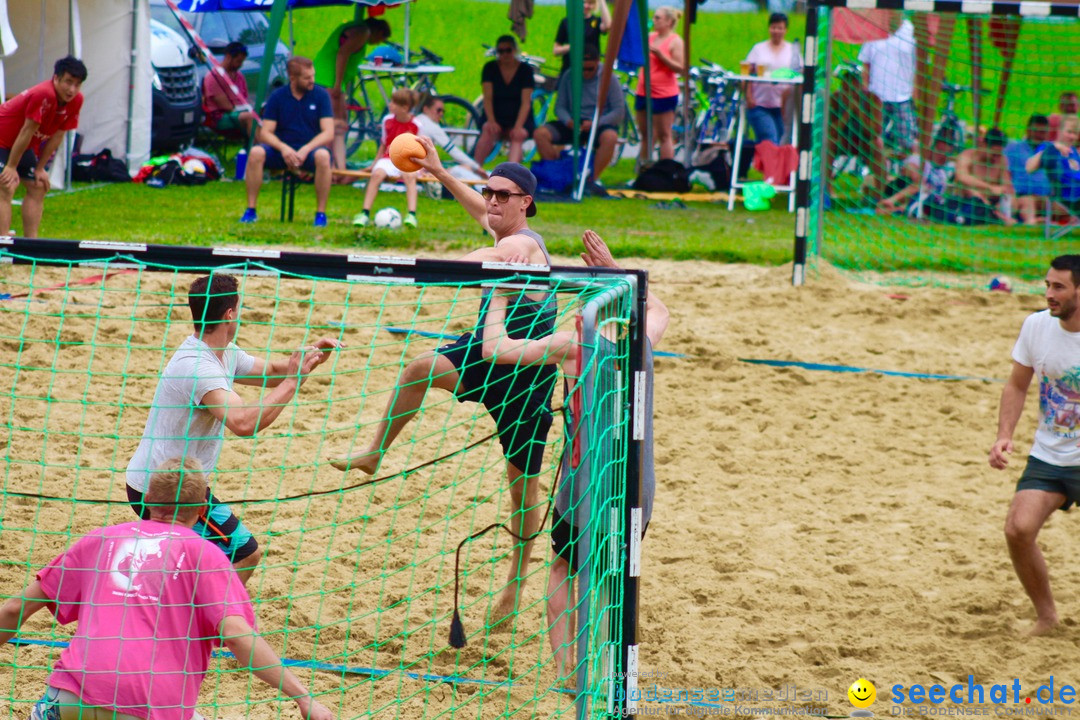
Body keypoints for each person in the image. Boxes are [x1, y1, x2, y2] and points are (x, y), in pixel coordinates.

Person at [332, 140, 556, 619]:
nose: (491, 200)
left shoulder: (522, 246)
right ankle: (374, 453)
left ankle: (517, 579)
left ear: (525, 204)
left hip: (524, 376)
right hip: (482, 352)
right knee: (419, 368)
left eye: (502, 195)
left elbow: (486, 252)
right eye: (488, 191)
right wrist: (437, 171)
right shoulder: (504, 225)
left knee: (522, 487)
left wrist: (426, 268)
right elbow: (482, 213)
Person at [0, 458, 335, 720]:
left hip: (73, 696)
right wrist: (303, 698)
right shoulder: (208, 556)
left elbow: (15, 609)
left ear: (146, 500)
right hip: (153, 706)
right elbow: (237, 636)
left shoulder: (99, 538)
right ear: (203, 511)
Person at [479, 230, 669, 681]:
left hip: (583, 480)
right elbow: (657, 308)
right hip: (636, 481)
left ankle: (568, 668)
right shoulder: (641, 337)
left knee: (566, 567)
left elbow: (494, 349)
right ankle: (610, 661)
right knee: (614, 576)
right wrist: (618, 269)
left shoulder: (571, 345)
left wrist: (500, 294)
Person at [126, 273, 341, 585]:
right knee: (243, 552)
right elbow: (243, 423)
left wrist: (308, 359)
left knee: (190, 567)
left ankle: (179, 614)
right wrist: (294, 382)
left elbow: (269, 371)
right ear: (229, 314)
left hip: (177, 483)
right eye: (239, 310)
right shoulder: (197, 366)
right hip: (162, 490)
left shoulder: (223, 352)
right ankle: (198, 624)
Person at [993, 255, 1080, 636]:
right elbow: (1017, 384)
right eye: (1047, 285)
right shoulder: (1036, 326)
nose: (1048, 294)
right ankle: (1046, 618)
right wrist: (1004, 435)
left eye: (1058, 287)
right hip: (1050, 452)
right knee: (1018, 529)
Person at [241, 57, 334, 227]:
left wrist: (306, 148)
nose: (312, 80)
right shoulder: (278, 97)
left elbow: (328, 132)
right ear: (292, 78)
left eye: (312, 76)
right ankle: (250, 210)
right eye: (307, 78)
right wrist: (283, 148)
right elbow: (266, 134)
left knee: (323, 156)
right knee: (256, 152)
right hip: (281, 150)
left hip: (309, 150)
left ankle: (321, 214)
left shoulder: (321, 95)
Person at [0, 56, 86, 238]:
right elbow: (26, 131)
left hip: (21, 144)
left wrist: (40, 168)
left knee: (39, 186)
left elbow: (58, 135)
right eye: (68, 82)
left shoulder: (76, 100)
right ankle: (3, 241)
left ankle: (32, 243)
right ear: (56, 78)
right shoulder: (43, 94)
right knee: (6, 185)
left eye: (77, 84)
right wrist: (11, 166)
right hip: (3, 139)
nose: (72, 90)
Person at [533, 45, 625, 186]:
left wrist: (596, 123)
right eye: (582, 69)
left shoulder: (608, 78)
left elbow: (618, 111)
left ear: (597, 63)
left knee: (610, 137)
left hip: (598, 122)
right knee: (540, 134)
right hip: (573, 122)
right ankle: (558, 172)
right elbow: (560, 107)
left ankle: (590, 180)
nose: (585, 73)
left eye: (590, 69)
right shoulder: (569, 75)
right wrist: (568, 120)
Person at [314, 17, 391, 170]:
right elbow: (342, 54)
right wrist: (337, 84)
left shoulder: (355, 27)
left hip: (326, 78)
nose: (377, 44)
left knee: (339, 125)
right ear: (379, 32)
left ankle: (338, 167)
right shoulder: (363, 32)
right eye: (381, 39)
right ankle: (331, 167)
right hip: (328, 80)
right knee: (336, 125)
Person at [858, 13, 917, 195]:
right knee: (874, 141)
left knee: (907, 143)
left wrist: (916, 95)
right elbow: (865, 64)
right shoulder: (873, 29)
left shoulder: (912, 32)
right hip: (877, 98)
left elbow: (921, 66)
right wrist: (865, 91)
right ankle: (877, 180)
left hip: (904, 97)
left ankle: (905, 182)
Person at [352, 88, 420, 228]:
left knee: (409, 176)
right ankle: (364, 213)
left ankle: (411, 214)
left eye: (394, 103)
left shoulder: (416, 125)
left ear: (404, 108)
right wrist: (375, 164)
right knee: (377, 175)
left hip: (407, 160)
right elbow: (383, 144)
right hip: (388, 158)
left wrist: (421, 167)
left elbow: (420, 149)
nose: (390, 105)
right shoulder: (387, 121)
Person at [634, 6, 685, 165]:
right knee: (646, 135)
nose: (654, 21)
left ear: (669, 22)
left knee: (664, 134)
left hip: (663, 93)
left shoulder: (675, 41)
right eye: (654, 17)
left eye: (658, 18)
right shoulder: (650, 37)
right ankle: (643, 171)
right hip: (643, 90)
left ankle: (666, 171)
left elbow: (681, 68)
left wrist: (661, 56)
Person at [474, 35, 535, 166]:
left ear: (515, 50)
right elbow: (487, 98)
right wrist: (491, 121)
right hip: (496, 114)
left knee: (518, 136)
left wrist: (518, 126)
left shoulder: (525, 70)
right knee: (488, 129)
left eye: (508, 50)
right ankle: (474, 169)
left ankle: (510, 175)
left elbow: (526, 102)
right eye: (501, 51)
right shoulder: (490, 68)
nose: (505, 54)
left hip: (519, 116)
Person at [743, 12, 802, 146]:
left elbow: (799, 73)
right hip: (760, 104)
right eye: (774, 27)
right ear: (769, 28)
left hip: (783, 106)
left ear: (785, 30)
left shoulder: (792, 50)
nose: (777, 31)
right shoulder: (758, 49)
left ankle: (768, 165)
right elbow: (746, 74)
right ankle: (768, 164)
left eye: (780, 28)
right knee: (770, 139)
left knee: (783, 140)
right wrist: (748, 96)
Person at [952, 128, 1017, 226]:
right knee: (969, 189)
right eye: (994, 154)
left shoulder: (1002, 160)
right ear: (984, 145)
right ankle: (997, 216)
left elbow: (1007, 187)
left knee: (1022, 199)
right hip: (967, 205)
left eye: (999, 155)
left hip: (993, 205)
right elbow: (961, 177)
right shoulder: (967, 156)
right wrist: (990, 187)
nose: (996, 158)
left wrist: (1004, 201)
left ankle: (1027, 220)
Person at [414, 95, 488, 179]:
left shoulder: (417, 119)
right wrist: (477, 168)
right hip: (420, 170)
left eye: (443, 111)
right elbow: (453, 151)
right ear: (426, 109)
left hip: (412, 167)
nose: (441, 114)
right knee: (462, 169)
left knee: (464, 168)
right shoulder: (431, 125)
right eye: (438, 110)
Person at [1005, 114, 1057, 225]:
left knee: (1066, 206)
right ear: (1028, 130)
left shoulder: (1051, 150)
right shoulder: (1013, 148)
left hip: (1046, 198)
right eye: (1036, 131)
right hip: (1023, 196)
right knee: (1028, 203)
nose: (1039, 135)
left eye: (1043, 132)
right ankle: (1031, 221)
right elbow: (1005, 172)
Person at [1027, 114, 1080, 215]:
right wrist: (1054, 147)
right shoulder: (1049, 147)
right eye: (1069, 132)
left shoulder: (1074, 153)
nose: (1072, 136)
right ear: (1059, 130)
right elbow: (1029, 167)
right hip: (1067, 197)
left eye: (1075, 133)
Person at [201, 42, 255, 140]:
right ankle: (257, 148)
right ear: (228, 57)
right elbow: (227, 106)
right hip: (220, 117)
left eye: (242, 62)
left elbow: (245, 99)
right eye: (238, 61)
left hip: (239, 112)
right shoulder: (213, 77)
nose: (240, 65)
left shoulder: (239, 76)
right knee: (250, 117)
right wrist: (246, 109)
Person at [553, 0, 611, 78]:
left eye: (590, 3)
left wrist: (601, 1)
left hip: (590, 72)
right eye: (583, 2)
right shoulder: (566, 22)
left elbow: (607, 25)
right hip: (570, 69)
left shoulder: (596, 21)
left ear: (594, 5)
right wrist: (571, 47)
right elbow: (556, 50)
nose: (586, 6)